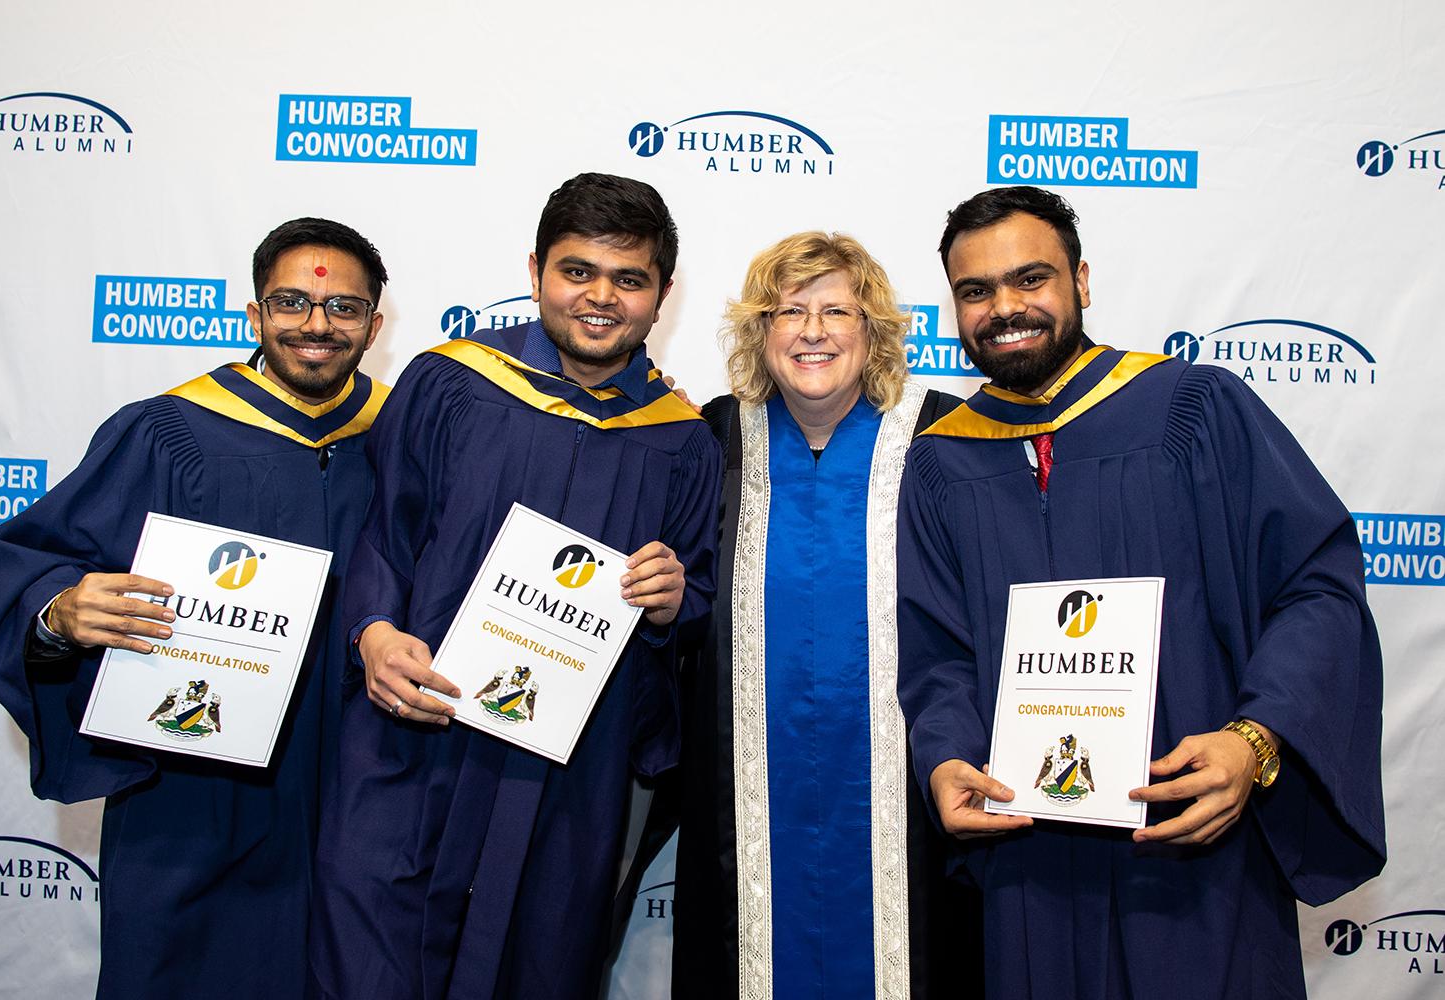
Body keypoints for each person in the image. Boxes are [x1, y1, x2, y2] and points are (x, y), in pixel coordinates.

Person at [896, 185, 1385, 999]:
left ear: (1082, 280)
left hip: (1190, 835)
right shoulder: (944, 463)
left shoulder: (1191, 410)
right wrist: (944, 758)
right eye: (975, 292)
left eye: (1031, 279)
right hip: (1031, 858)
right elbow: (937, 650)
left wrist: (1254, 741)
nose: (1005, 308)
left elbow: (1316, 588)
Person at [308, 172, 720, 1000]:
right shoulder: (451, 383)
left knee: (537, 964)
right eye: (578, 271)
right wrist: (373, 635)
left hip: (568, 773)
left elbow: (699, 601)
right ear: (536, 270)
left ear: (662, 295)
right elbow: (383, 530)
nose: (600, 298)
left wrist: (679, 600)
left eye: (629, 279)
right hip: (413, 738)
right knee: (372, 960)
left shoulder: (683, 440)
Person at [0, 217, 392, 999]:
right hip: (195, 792)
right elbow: (42, 560)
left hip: (362, 792)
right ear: (254, 314)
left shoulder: (407, 437)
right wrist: (58, 610)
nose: (315, 324)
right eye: (291, 302)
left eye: (342, 308)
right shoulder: (170, 433)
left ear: (374, 323)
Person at [669, 232, 973, 1000]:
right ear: (758, 331)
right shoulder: (713, 436)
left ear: (872, 331)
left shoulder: (945, 439)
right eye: (789, 310)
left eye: (837, 310)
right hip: (744, 780)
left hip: (904, 780)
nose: (813, 330)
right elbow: (685, 597)